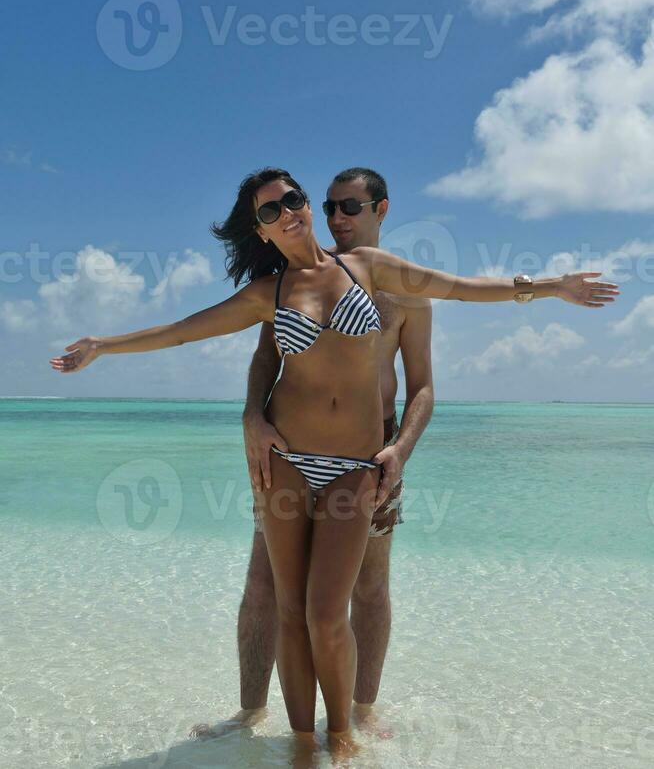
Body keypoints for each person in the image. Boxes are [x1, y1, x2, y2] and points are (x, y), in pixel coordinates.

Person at [48, 167, 619, 756]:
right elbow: (181, 332)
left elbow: (463, 286)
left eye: (293, 200)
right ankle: (298, 744)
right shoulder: (267, 294)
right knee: (286, 608)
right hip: (288, 460)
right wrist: (104, 346)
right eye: (271, 211)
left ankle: (344, 732)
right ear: (261, 232)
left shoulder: (371, 271)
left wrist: (551, 286)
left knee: (329, 613)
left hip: (355, 464)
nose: (288, 212)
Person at [220, 167, 434, 740]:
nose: (338, 218)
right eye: (331, 206)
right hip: (290, 447)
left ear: (381, 210)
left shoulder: (401, 288)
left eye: (351, 208)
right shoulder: (300, 277)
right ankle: (250, 713)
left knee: (367, 586)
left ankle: (360, 711)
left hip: (374, 449)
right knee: (265, 584)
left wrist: (402, 450)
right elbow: (269, 357)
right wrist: (251, 415)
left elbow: (423, 387)